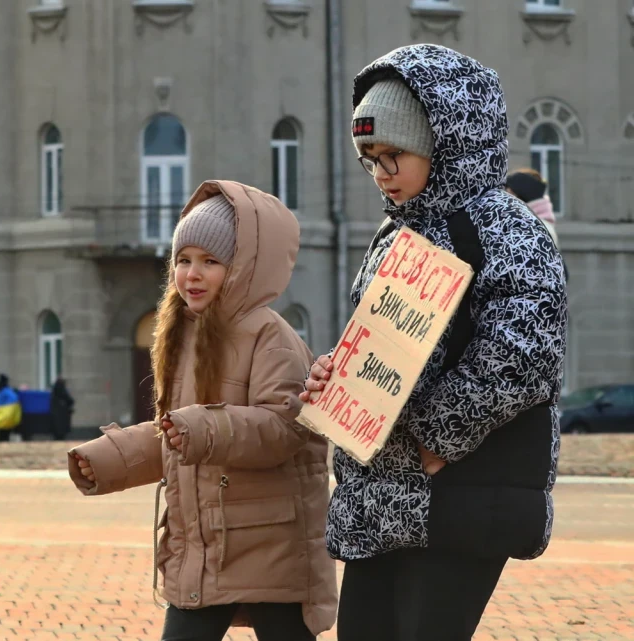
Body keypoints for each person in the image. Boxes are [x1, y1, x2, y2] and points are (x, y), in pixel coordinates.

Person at [301, 45, 568, 641]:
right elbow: (381, 345)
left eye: (394, 154)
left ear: (446, 140)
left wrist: (435, 439)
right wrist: (335, 377)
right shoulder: (393, 234)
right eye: (369, 159)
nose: (381, 174)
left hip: (461, 492)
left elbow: (524, 355)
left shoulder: (505, 228)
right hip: (383, 494)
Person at [69, 182, 337, 641]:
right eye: (183, 259)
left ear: (245, 268)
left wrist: (200, 428)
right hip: (206, 540)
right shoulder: (183, 333)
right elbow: (177, 434)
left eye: (211, 262)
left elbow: (284, 428)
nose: (192, 274)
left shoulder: (270, 335)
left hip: (271, 542)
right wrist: (112, 458)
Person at [505, 168, 559, 247]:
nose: (504, 199)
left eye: (508, 193)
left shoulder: (537, 229)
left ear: (520, 196)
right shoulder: (528, 224)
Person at [0, 374, 20, 443]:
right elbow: (14, 398)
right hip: (6, 413)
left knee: (0, 432)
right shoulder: (6, 390)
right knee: (6, 433)